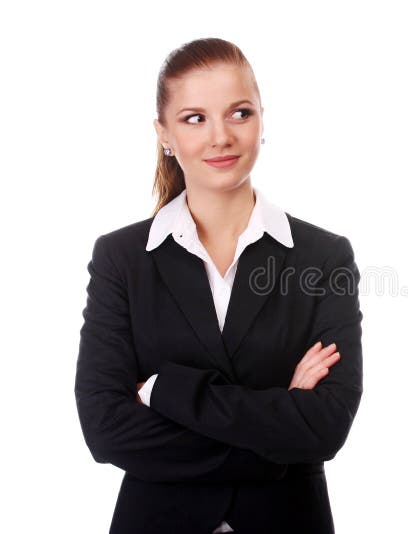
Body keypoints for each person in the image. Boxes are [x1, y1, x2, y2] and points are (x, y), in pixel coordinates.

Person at [74, 37, 363, 534]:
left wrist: (167, 391)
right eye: (194, 118)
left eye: (239, 113)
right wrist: (276, 432)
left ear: (261, 121)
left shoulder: (323, 256)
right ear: (163, 133)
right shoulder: (121, 259)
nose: (221, 137)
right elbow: (106, 430)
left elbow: (325, 426)